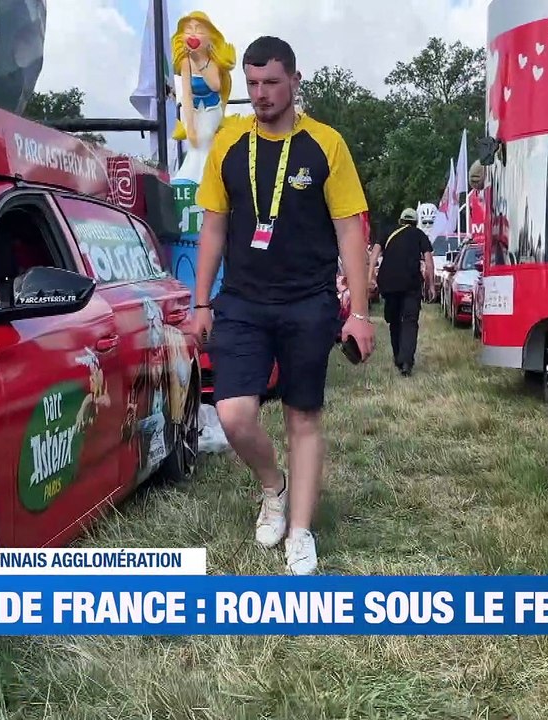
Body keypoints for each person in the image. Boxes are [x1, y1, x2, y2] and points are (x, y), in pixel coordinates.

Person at [190, 35, 375, 575]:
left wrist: (358, 312)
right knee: (233, 414)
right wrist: (201, 301)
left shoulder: (326, 145)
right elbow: (213, 226)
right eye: (252, 84)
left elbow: (350, 232)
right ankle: (275, 485)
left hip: (307, 301)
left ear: (295, 80)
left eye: (271, 82)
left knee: (303, 416)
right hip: (243, 301)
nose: (261, 94)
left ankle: (300, 531)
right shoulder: (228, 143)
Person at [369, 208, 434, 376]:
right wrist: (431, 285)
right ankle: (406, 361)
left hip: (389, 283)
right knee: (410, 321)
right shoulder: (420, 234)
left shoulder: (387, 231)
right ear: (415, 222)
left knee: (394, 321)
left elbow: (374, 255)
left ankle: (398, 356)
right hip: (411, 283)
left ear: (400, 220)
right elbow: (428, 262)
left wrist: (371, 278)